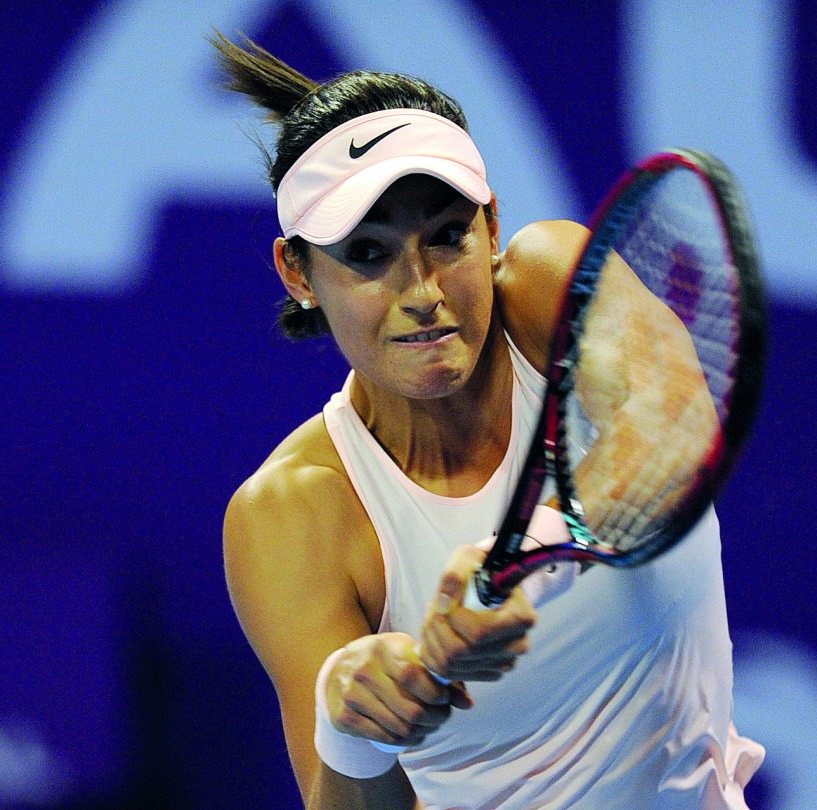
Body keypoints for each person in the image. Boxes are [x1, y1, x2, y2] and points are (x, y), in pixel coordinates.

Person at [214, 33, 764, 810]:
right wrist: (352, 729)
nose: (422, 292)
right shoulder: (292, 512)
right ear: (297, 273)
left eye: (447, 236)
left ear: (493, 226)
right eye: (367, 254)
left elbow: (672, 423)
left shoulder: (547, 287)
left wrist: (519, 559)